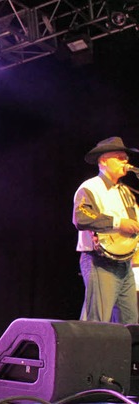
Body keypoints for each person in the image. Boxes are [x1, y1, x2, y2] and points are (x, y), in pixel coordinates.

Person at [73, 136, 139, 324]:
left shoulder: (125, 192)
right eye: (119, 157)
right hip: (100, 262)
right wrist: (119, 223)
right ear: (103, 161)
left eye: (126, 158)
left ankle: (126, 354)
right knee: (98, 322)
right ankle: (90, 354)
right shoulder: (90, 188)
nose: (125, 161)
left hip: (125, 264)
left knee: (130, 324)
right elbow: (81, 217)